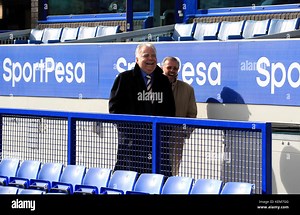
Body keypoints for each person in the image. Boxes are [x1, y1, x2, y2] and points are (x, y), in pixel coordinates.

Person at [109, 43, 175, 176]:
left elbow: (170, 110)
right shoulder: (124, 79)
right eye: (146, 55)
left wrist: (164, 134)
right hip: (131, 145)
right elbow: (114, 109)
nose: (150, 59)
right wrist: (130, 132)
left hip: (158, 144)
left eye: (153, 56)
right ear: (137, 59)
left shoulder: (163, 81)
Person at [161, 56, 197, 176]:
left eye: (175, 68)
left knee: (172, 170)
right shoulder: (151, 85)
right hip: (154, 135)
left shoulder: (188, 89)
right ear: (162, 68)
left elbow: (192, 114)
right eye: (169, 67)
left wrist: (184, 133)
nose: (172, 70)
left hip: (175, 137)